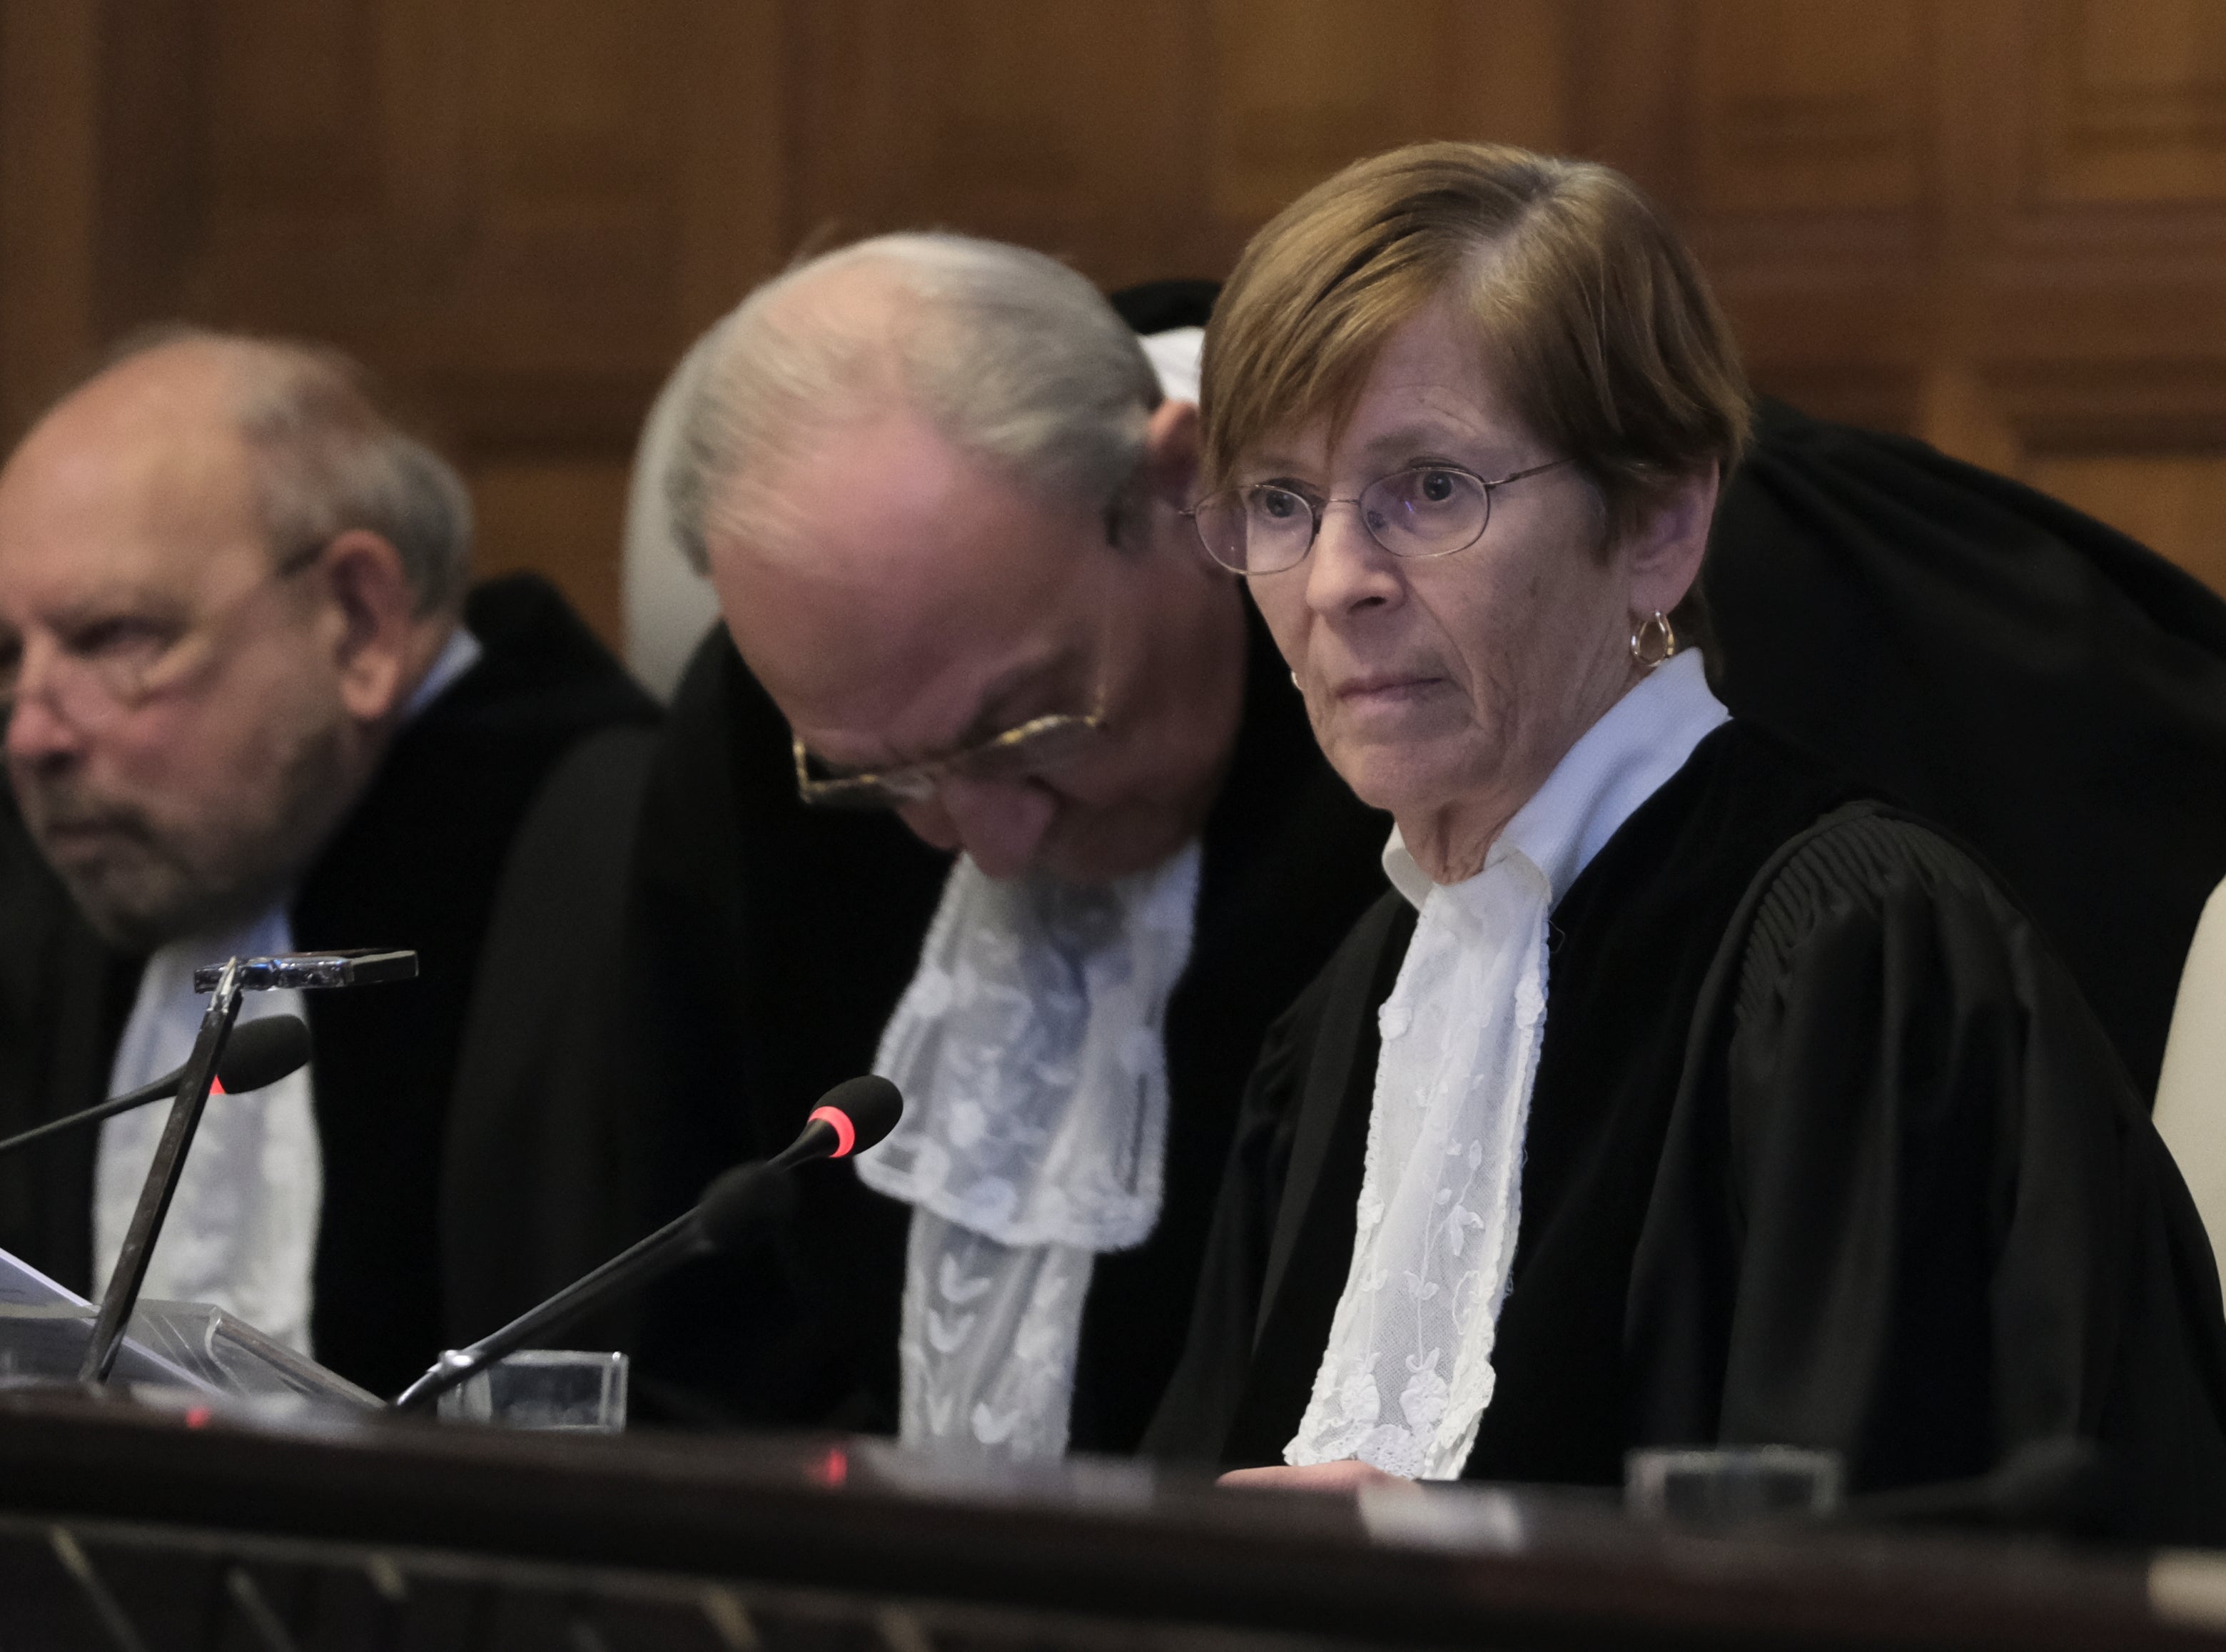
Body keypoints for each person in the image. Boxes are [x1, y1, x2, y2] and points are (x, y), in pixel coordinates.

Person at [1142, 141, 2226, 1550]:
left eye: (1427, 490)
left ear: (1661, 524)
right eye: (1281, 504)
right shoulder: (1346, 1020)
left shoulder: (1854, 966)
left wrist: (1476, 1577)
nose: (1337, 581)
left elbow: (1912, 1574)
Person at [452, 239, 1389, 1452]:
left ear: (1183, 488)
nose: (986, 847)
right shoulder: (754, 736)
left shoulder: (1409, 677)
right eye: (879, 777)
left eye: (1026, 722)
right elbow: (714, 1337)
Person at [0, 330, 653, 1395]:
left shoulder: (614, 866)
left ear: (358, 622)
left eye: (115, 638)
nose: (32, 736)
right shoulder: (81, 864)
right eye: (8, 658)